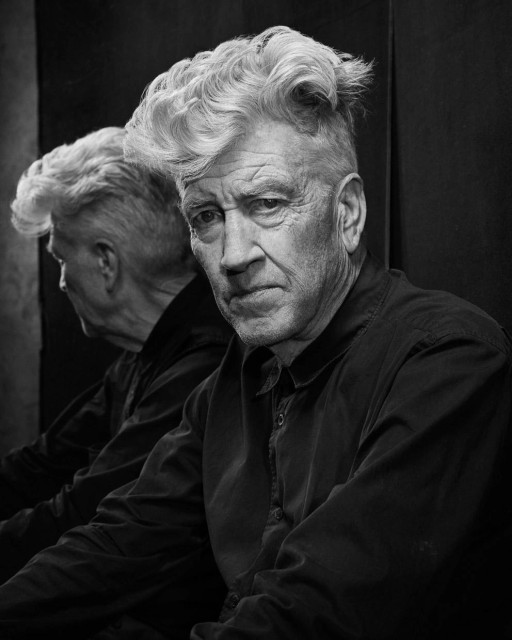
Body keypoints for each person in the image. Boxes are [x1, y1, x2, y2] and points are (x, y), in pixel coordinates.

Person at [0, 26, 511, 640]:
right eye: (208, 217)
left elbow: (308, 616)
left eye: (268, 203)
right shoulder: (240, 373)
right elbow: (122, 540)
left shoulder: (447, 359)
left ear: (346, 215)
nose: (234, 253)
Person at [0, 126, 231, 631]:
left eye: (61, 258)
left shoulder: (202, 365)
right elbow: (39, 465)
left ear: (106, 262)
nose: (60, 281)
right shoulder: (142, 356)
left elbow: (78, 514)